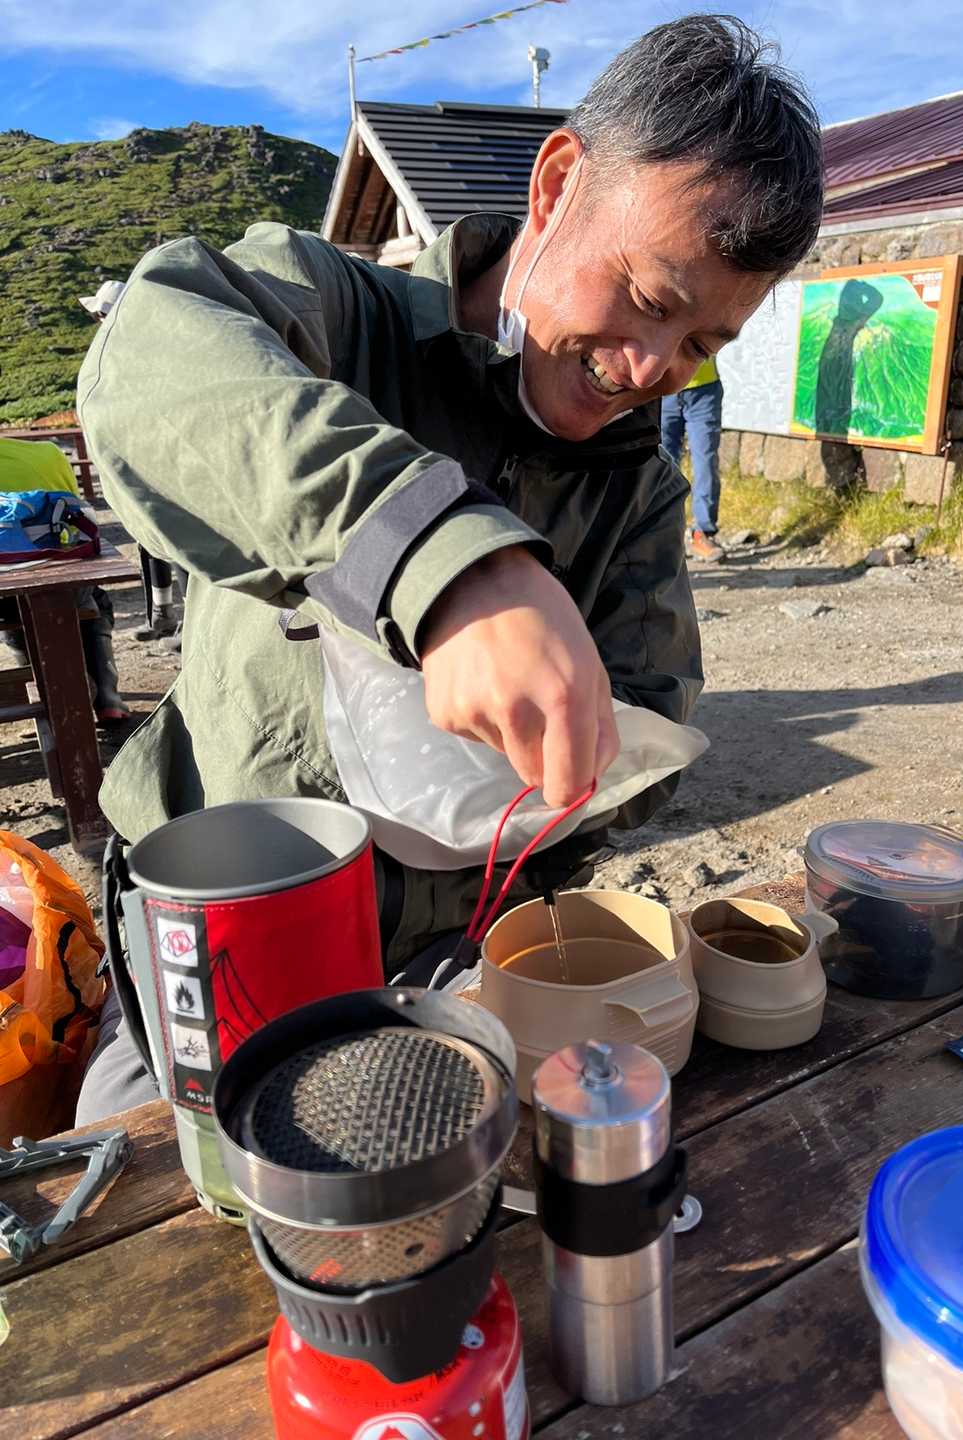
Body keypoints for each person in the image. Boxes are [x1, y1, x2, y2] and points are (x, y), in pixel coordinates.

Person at [74, 15, 823, 1121]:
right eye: (652, 300)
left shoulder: (636, 488)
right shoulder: (335, 316)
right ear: (557, 185)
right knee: (151, 1200)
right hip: (216, 949)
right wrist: (444, 561)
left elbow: (645, 721)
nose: (650, 368)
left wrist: (591, 759)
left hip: (453, 972)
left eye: (703, 347)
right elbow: (150, 355)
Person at [80, 280, 184, 648]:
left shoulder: (139, 349)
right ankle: (162, 614)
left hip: (160, 454)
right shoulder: (141, 344)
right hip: (144, 453)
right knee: (149, 537)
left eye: (99, 315)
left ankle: (190, 622)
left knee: (177, 537)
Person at [0, 436, 129, 723]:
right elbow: (77, 512)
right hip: (63, 583)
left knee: (12, 619)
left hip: (4, 601)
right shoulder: (47, 454)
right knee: (94, 601)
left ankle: (50, 694)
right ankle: (107, 698)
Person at [661, 355, 726, 561]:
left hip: (703, 389)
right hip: (661, 388)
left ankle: (702, 533)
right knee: (662, 466)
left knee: (706, 462)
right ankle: (663, 536)